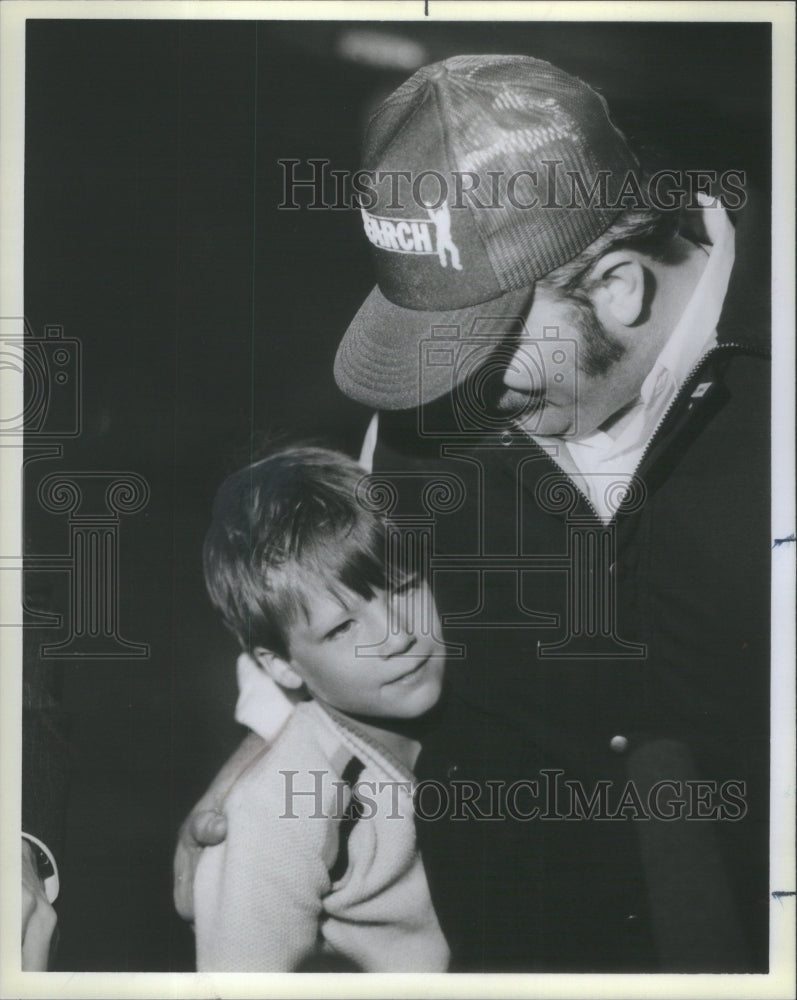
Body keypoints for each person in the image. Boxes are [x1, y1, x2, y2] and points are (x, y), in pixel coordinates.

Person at [176, 55, 770, 972]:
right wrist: (265, 741)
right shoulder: (434, 407)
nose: (454, 400)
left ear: (617, 286)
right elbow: (335, 572)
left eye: (485, 361)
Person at [188, 446, 449, 971]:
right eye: (342, 627)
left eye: (404, 586)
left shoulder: (475, 706)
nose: (397, 634)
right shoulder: (287, 807)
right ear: (281, 666)